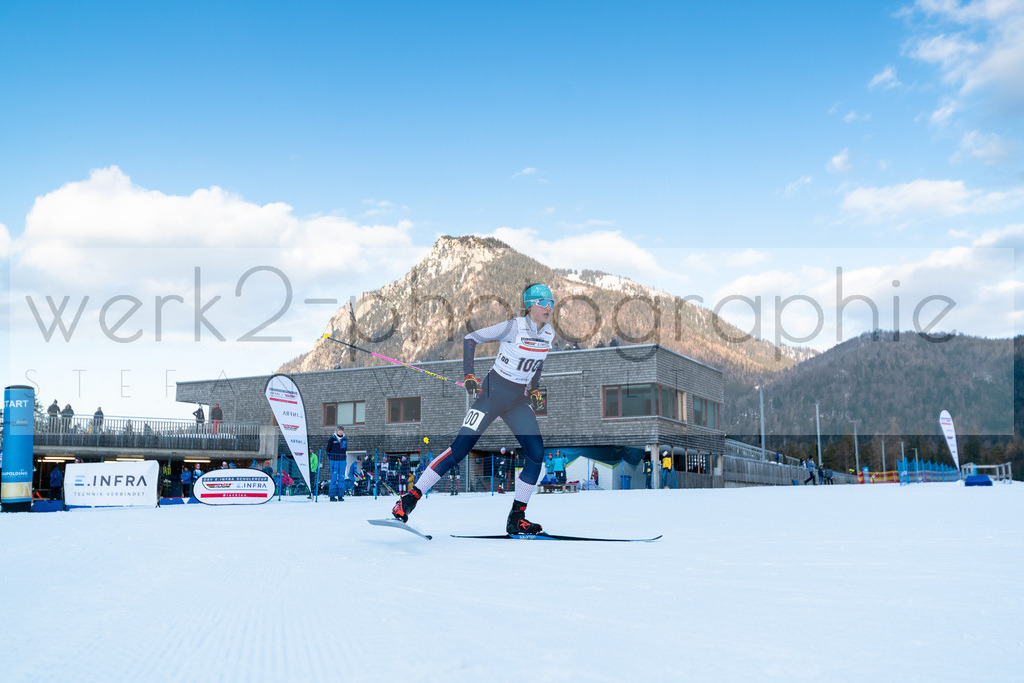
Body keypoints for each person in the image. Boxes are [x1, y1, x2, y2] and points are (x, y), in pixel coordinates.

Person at [391, 283, 555, 535]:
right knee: (461, 448)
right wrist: (469, 374)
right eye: (543, 302)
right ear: (530, 304)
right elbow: (471, 338)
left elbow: (537, 364)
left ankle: (517, 517)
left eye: (551, 302)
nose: (548, 307)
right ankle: (409, 499)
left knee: (536, 453)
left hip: (517, 400)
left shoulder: (548, 334)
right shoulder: (513, 327)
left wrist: (534, 388)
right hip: (492, 392)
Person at [326, 426, 347, 501]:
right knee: (334, 478)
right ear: (337, 431)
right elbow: (328, 450)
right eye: (339, 430)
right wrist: (332, 457)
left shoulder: (345, 439)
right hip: (334, 461)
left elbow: (345, 449)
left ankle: (340, 495)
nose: (341, 432)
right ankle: (332, 496)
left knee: (341, 478)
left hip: (342, 461)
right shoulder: (332, 439)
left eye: (342, 430)